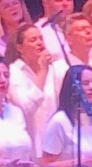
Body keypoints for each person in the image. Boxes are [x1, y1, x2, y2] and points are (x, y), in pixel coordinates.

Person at [6, 24, 57, 157]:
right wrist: (43, 72)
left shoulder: (52, 70)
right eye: (33, 40)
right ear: (20, 48)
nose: (39, 43)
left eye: (41, 38)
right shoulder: (13, 73)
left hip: (53, 144)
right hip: (31, 145)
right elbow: (27, 108)